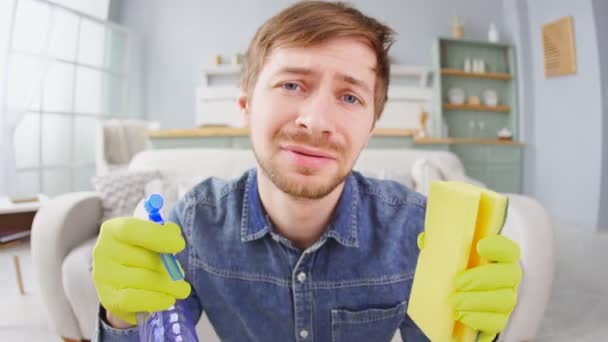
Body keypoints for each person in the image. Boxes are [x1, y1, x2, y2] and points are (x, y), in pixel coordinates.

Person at [92, 2, 521, 341]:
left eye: (350, 97)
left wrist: (471, 330)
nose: (316, 120)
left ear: (370, 127)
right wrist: (122, 318)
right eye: (292, 85)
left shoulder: (416, 229)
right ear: (246, 107)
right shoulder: (195, 224)